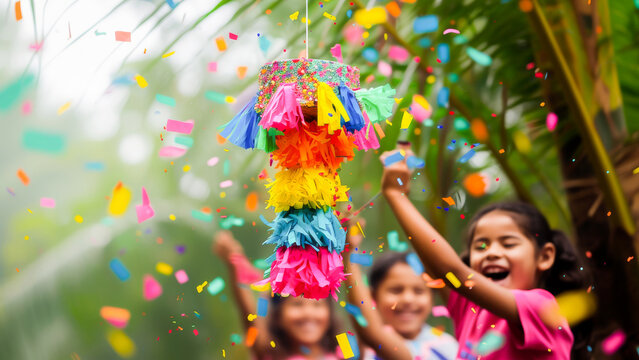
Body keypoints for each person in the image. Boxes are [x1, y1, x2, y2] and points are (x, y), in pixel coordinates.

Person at [378, 146, 589, 359]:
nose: (492, 253)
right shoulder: (470, 309)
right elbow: (441, 270)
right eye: (481, 246)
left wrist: (396, 196)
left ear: (544, 256)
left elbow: (452, 272)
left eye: (508, 244)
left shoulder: (542, 307)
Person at [213, 230, 344, 360]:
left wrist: (348, 254)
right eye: (297, 304)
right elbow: (250, 315)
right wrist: (234, 261)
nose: (308, 313)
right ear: (278, 315)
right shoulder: (271, 353)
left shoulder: (344, 348)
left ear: (330, 312)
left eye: (317, 304)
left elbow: (362, 331)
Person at [343, 220, 458, 360]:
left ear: (432, 297)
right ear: (373, 296)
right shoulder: (347, 344)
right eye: (396, 290)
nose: (408, 299)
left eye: (418, 291)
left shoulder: (448, 347)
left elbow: (373, 333)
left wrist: (347, 254)